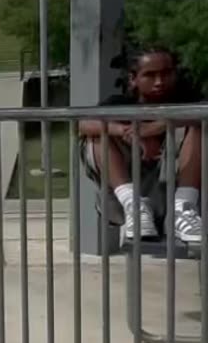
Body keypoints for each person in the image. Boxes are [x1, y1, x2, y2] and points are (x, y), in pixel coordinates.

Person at [79, 45, 203, 245]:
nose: (159, 82)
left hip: (174, 187)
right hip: (127, 192)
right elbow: (82, 123)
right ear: (133, 79)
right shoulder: (119, 104)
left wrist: (153, 128)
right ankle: (134, 206)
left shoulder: (187, 99)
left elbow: (200, 112)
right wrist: (127, 132)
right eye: (150, 75)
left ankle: (183, 209)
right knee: (97, 134)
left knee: (198, 124)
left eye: (166, 74)